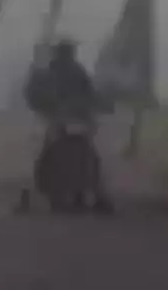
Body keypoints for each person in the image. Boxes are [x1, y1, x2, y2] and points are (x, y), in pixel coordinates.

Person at [23, 37, 111, 208]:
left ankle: (87, 193)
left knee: (82, 156)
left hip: (69, 119)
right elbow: (89, 93)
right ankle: (89, 193)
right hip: (66, 119)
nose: (70, 54)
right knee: (74, 155)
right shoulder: (64, 71)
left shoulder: (60, 71)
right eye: (69, 50)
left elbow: (90, 93)